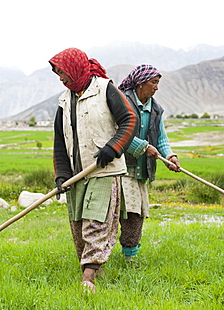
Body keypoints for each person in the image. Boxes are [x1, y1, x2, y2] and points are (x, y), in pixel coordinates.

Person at [49, 48, 138, 292]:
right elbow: (60, 140)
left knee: (96, 222)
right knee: (78, 227)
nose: (60, 78)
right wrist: (61, 175)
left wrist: (113, 147)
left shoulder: (105, 88)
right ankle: (92, 267)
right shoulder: (64, 100)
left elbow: (130, 120)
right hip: (78, 174)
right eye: (58, 74)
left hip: (103, 170)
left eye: (62, 72)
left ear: (75, 68)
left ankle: (88, 278)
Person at [118, 64, 181, 261]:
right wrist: (144, 147)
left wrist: (170, 157)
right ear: (140, 83)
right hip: (119, 169)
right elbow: (115, 132)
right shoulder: (122, 102)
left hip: (141, 171)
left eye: (158, 83)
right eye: (154, 82)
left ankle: (130, 258)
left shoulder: (155, 109)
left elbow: (161, 138)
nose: (156, 87)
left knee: (135, 216)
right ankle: (97, 258)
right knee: (117, 214)